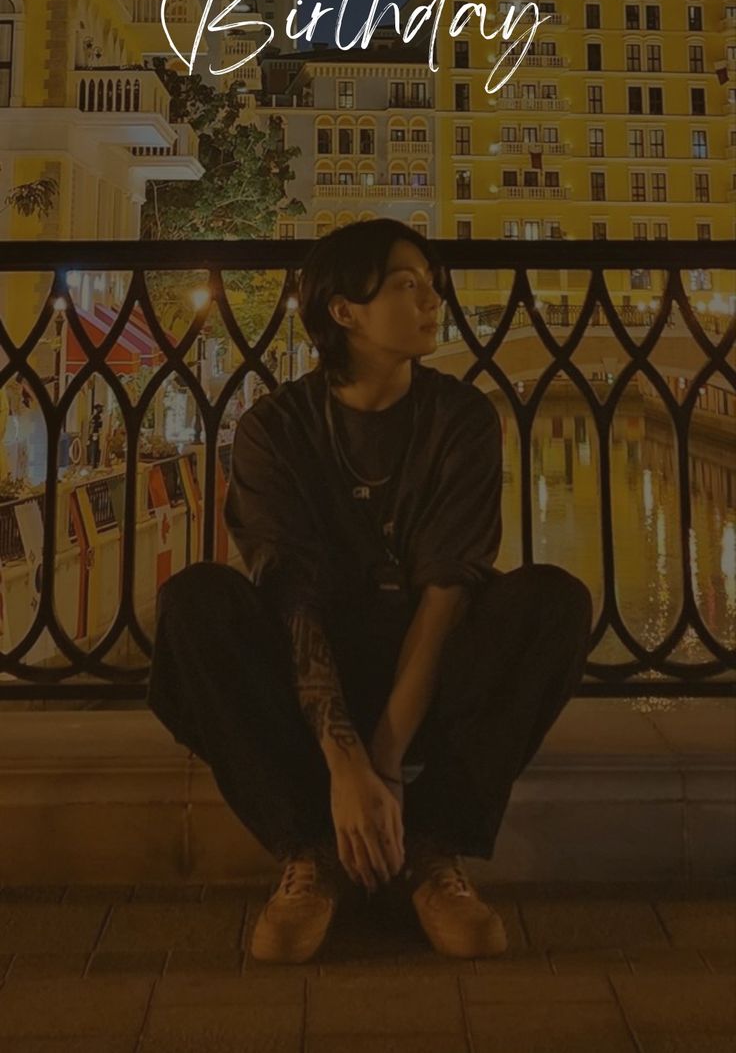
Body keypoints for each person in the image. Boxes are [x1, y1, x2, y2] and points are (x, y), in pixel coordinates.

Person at [147, 218, 593, 964]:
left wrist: (379, 766)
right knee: (195, 603)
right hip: (311, 671)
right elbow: (291, 598)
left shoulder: (460, 419)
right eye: (405, 285)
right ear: (343, 311)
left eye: (432, 285)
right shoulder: (276, 429)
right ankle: (311, 852)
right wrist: (344, 766)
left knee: (554, 601)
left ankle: (427, 851)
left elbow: (448, 592)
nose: (431, 302)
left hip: (422, 664)